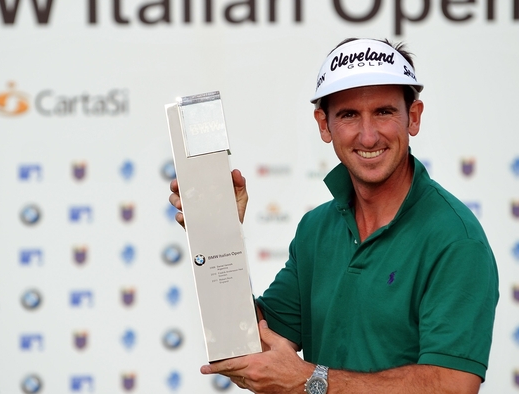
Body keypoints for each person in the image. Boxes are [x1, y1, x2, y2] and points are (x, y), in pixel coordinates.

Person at [169, 38, 498, 394]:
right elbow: (253, 347)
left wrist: (310, 380)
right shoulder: (316, 228)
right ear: (324, 125)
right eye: (349, 115)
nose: (368, 136)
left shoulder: (455, 238)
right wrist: (218, 237)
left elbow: (452, 386)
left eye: (384, 112)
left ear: (413, 118)